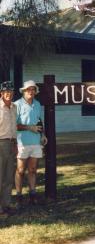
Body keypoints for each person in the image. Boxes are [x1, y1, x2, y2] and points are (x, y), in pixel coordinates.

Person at [15, 80, 47, 208]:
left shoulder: (38, 104)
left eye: (33, 89)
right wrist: (30, 128)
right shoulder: (17, 104)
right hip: (22, 142)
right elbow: (14, 125)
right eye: (29, 89)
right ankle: (18, 196)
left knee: (32, 170)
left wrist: (43, 134)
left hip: (35, 142)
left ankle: (33, 195)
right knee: (21, 170)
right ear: (24, 91)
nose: (31, 92)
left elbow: (39, 121)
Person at [0, 81, 17, 217]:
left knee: (8, 177)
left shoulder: (14, 107)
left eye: (10, 92)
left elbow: (14, 127)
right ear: (1, 93)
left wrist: (15, 144)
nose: (8, 94)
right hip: (0, 143)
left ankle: (6, 204)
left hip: (11, 143)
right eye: (6, 92)